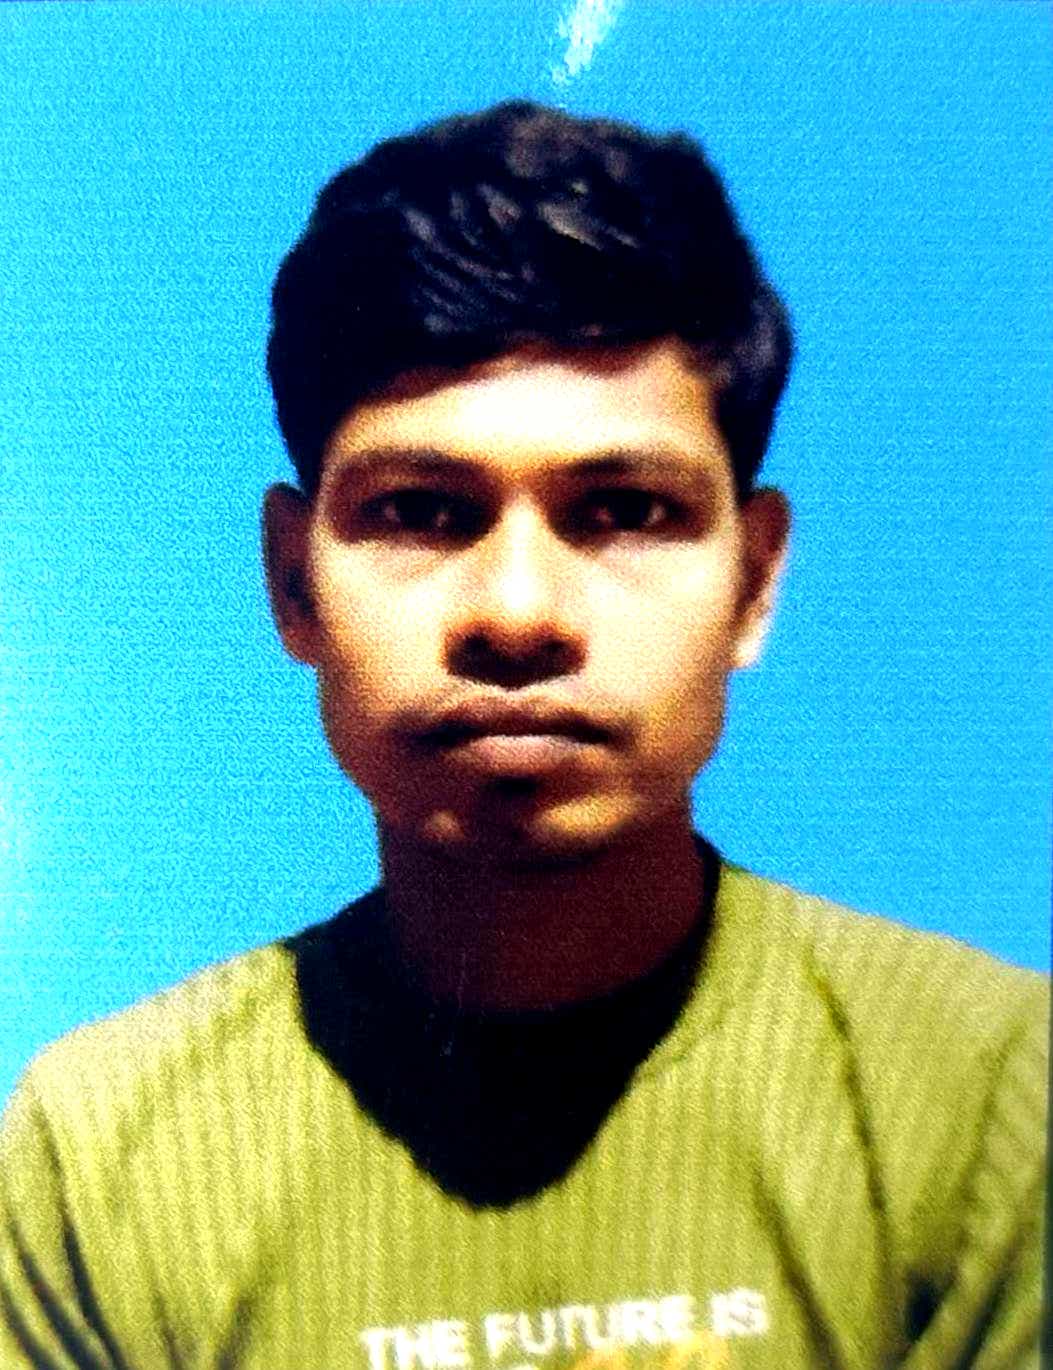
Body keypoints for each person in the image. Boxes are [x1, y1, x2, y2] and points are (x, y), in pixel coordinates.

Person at [0, 100, 1046, 1369]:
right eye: (421, 510)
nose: (518, 613)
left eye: (624, 511)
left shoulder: (993, 1098)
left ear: (754, 582)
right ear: (292, 582)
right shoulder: (101, 1159)